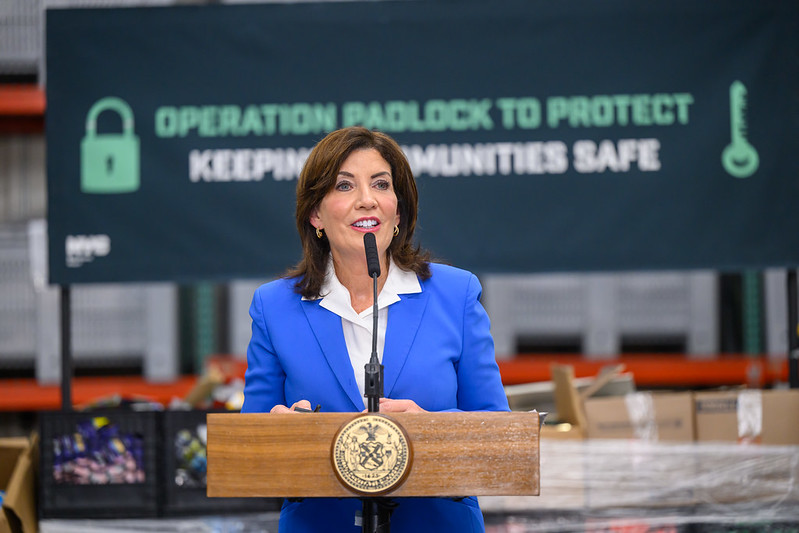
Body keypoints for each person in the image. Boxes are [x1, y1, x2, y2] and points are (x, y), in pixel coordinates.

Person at [241, 126, 509, 532]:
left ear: (397, 211)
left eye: (381, 184)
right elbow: (248, 446)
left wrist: (431, 429)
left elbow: (499, 440)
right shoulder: (274, 307)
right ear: (315, 214)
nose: (366, 200)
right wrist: (280, 430)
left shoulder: (457, 294)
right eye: (344, 185)